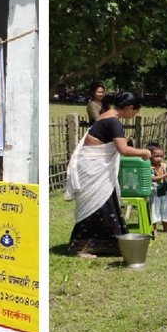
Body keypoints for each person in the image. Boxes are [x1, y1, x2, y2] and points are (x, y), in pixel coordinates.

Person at [64, 92, 149, 256]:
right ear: (129, 108)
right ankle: (80, 247)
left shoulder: (106, 116)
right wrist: (143, 152)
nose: (134, 115)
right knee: (95, 206)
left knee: (105, 204)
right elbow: (123, 149)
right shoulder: (113, 122)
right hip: (93, 168)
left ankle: (107, 245)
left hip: (94, 168)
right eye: (135, 112)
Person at [146, 143, 167, 234]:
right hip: (154, 193)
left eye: (161, 156)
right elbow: (152, 178)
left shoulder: (164, 165)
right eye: (156, 156)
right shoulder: (148, 167)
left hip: (164, 192)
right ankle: (154, 228)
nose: (159, 158)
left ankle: (166, 227)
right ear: (150, 156)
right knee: (154, 210)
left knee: (166, 209)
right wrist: (166, 175)